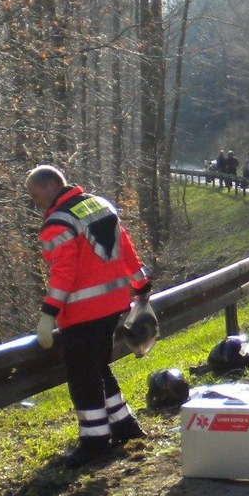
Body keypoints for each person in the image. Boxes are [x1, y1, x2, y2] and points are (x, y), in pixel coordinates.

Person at [26, 165, 151, 468]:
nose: (34, 201)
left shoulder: (58, 223)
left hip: (82, 312)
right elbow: (126, 249)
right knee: (98, 367)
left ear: (53, 184)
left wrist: (48, 315)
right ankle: (124, 425)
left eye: (36, 193)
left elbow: (63, 274)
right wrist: (141, 284)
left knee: (83, 377)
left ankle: (95, 443)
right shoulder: (100, 205)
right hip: (113, 305)